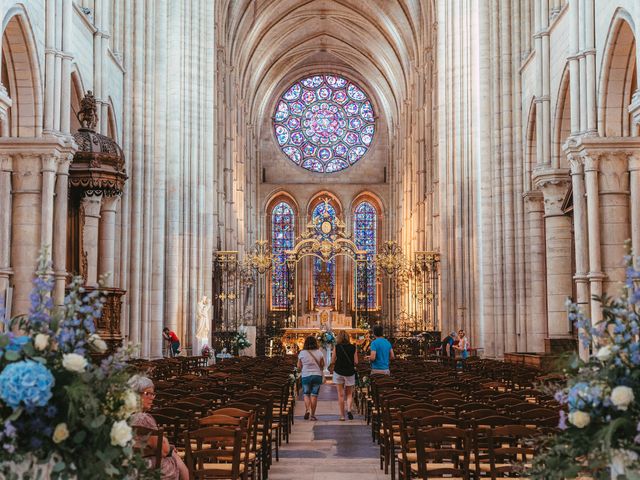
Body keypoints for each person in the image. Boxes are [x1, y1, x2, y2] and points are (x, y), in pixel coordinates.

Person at [128, 374, 189, 480]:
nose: (152, 398)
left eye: (153, 394)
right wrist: (169, 448)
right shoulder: (143, 418)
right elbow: (164, 450)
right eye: (148, 393)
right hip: (151, 469)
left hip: (131, 467)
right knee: (174, 455)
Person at [329, 330, 358, 421]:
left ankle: (342, 416)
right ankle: (349, 410)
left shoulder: (337, 347)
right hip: (349, 372)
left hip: (339, 372)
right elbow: (356, 362)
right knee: (349, 393)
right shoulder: (353, 347)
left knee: (340, 395)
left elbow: (333, 361)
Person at [297, 335, 325, 421]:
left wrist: (304, 368)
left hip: (306, 375)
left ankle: (307, 410)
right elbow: (322, 365)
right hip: (317, 375)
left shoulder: (302, 353)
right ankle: (312, 415)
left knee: (306, 394)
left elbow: (298, 366)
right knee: (314, 395)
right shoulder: (319, 352)